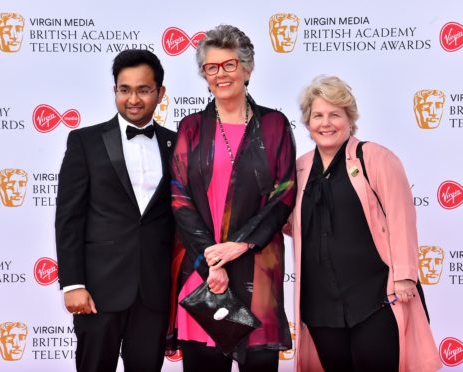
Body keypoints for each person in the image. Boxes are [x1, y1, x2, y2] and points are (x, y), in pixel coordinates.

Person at [291, 75, 441, 372]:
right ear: (308, 123)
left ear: (350, 119)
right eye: (318, 115)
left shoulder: (375, 158)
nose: (326, 123)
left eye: (335, 114)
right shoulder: (299, 168)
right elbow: (287, 222)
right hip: (320, 303)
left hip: (376, 297)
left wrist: (406, 275)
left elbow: (401, 217)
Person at [170, 24, 297, 372]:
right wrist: (212, 262)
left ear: (247, 68)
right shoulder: (191, 128)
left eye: (229, 64)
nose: (221, 74)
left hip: (257, 265)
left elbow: (284, 194)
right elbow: (179, 196)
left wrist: (239, 245)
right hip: (204, 271)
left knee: (258, 362)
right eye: (211, 67)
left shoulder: (274, 125)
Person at [55, 49, 176, 372]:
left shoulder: (176, 144)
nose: (133, 99)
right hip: (97, 290)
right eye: (125, 89)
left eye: (144, 89)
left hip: (154, 290)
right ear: (115, 91)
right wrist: (72, 283)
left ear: (160, 93)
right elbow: (69, 217)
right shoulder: (85, 141)